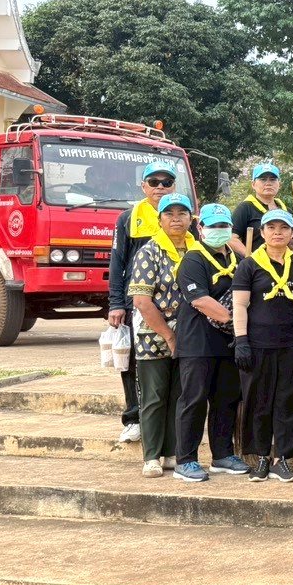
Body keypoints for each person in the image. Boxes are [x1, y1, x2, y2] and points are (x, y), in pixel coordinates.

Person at [231, 208, 293, 484]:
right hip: (257, 344)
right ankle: (261, 457)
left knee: (289, 402)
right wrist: (241, 340)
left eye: (284, 228)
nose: (278, 233)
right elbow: (240, 305)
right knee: (258, 402)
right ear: (262, 233)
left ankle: (282, 459)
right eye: (272, 228)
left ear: (292, 233)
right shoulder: (249, 265)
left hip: (291, 343)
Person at [171, 202, 246, 482]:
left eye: (224, 225)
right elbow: (200, 300)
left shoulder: (237, 259)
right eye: (213, 225)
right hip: (197, 342)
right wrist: (237, 322)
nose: (219, 230)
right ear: (200, 228)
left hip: (227, 343)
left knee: (226, 399)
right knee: (194, 400)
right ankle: (186, 460)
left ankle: (222, 454)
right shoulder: (193, 259)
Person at [108, 159, 180, 445]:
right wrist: (116, 303)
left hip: (175, 303)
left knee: (172, 361)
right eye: (154, 182)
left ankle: (170, 421)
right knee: (132, 363)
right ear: (143, 186)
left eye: (166, 182)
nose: (160, 187)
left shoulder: (183, 216)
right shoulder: (128, 218)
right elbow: (118, 262)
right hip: (137, 302)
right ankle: (133, 418)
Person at [128, 192, 196, 477]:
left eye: (182, 213)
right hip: (154, 336)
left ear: (191, 219)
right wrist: (169, 335)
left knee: (180, 395)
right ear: (159, 220)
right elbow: (142, 301)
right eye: (169, 214)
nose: (176, 219)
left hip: (191, 335)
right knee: (154, 396)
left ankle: (172, 452)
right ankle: (152, 456)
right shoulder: (149, 252)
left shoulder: (197, 250)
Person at [230, 162, 286, 256]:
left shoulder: (286, 211)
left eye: (272, 179)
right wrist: (251, 258)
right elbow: (232, 238)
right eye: (263, 179)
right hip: (255, 263)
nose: (268, 183)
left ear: (279, 184)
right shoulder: (245, 208)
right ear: (253, 184)